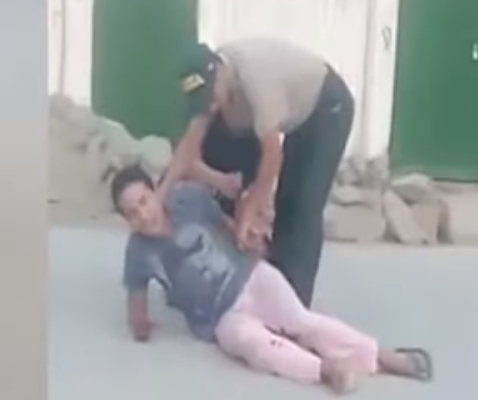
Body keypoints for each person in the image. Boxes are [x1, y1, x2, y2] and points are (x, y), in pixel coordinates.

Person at [112, 165, 433, 394]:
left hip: (250, 275)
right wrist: (141, 327)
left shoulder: (189, 200)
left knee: (299, 320)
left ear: (156, 191)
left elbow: (225, 225)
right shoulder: (138, 253)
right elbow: (136, 306)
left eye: (144, 201)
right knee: (254, 345)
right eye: (132, 214)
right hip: (221, 317)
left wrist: (249, 241)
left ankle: (380, 356)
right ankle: (325, 370)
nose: (143, 215)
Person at [160, 37, 354, 307]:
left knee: (304, 206)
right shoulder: (215, 84)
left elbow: (273, 154)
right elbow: (188, 146)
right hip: (297, 116)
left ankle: (295, 307)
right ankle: (277, 294)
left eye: (212, 98)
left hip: (327, 106)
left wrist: (251, 209)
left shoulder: (255, 81)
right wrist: (160, 195)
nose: (211, 107)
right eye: (203, 102)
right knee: (286, 202)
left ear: (219, 72)